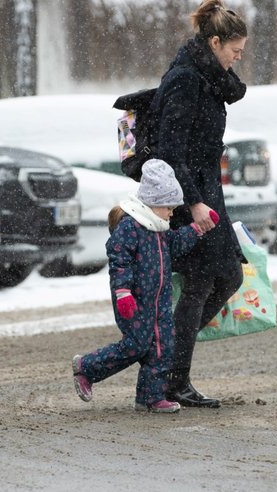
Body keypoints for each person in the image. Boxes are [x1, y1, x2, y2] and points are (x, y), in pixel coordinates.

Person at [152, 0, 248, 409]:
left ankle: (166, 356)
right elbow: (170, 149)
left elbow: (232, 91)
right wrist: (191, 204)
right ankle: (173, 377)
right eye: (234, 51)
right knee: (201, 282)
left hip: (209, 190)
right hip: (189, 194)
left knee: (229, 276)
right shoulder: (185, 80)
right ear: (214, 43)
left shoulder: (209, 78)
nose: (237, 59)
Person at [72, 159, 216, 413]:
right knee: (137, 345)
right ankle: (87, 367)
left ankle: (150, 397)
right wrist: (123, 293)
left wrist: (197, 229)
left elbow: (177, 243)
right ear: (154, 203)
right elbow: (119, 261)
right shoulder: (131, 227)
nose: (172, 213)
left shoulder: (160, 229)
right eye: (169, 207)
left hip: (159, 301)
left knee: (163, 347)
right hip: (134, 301)